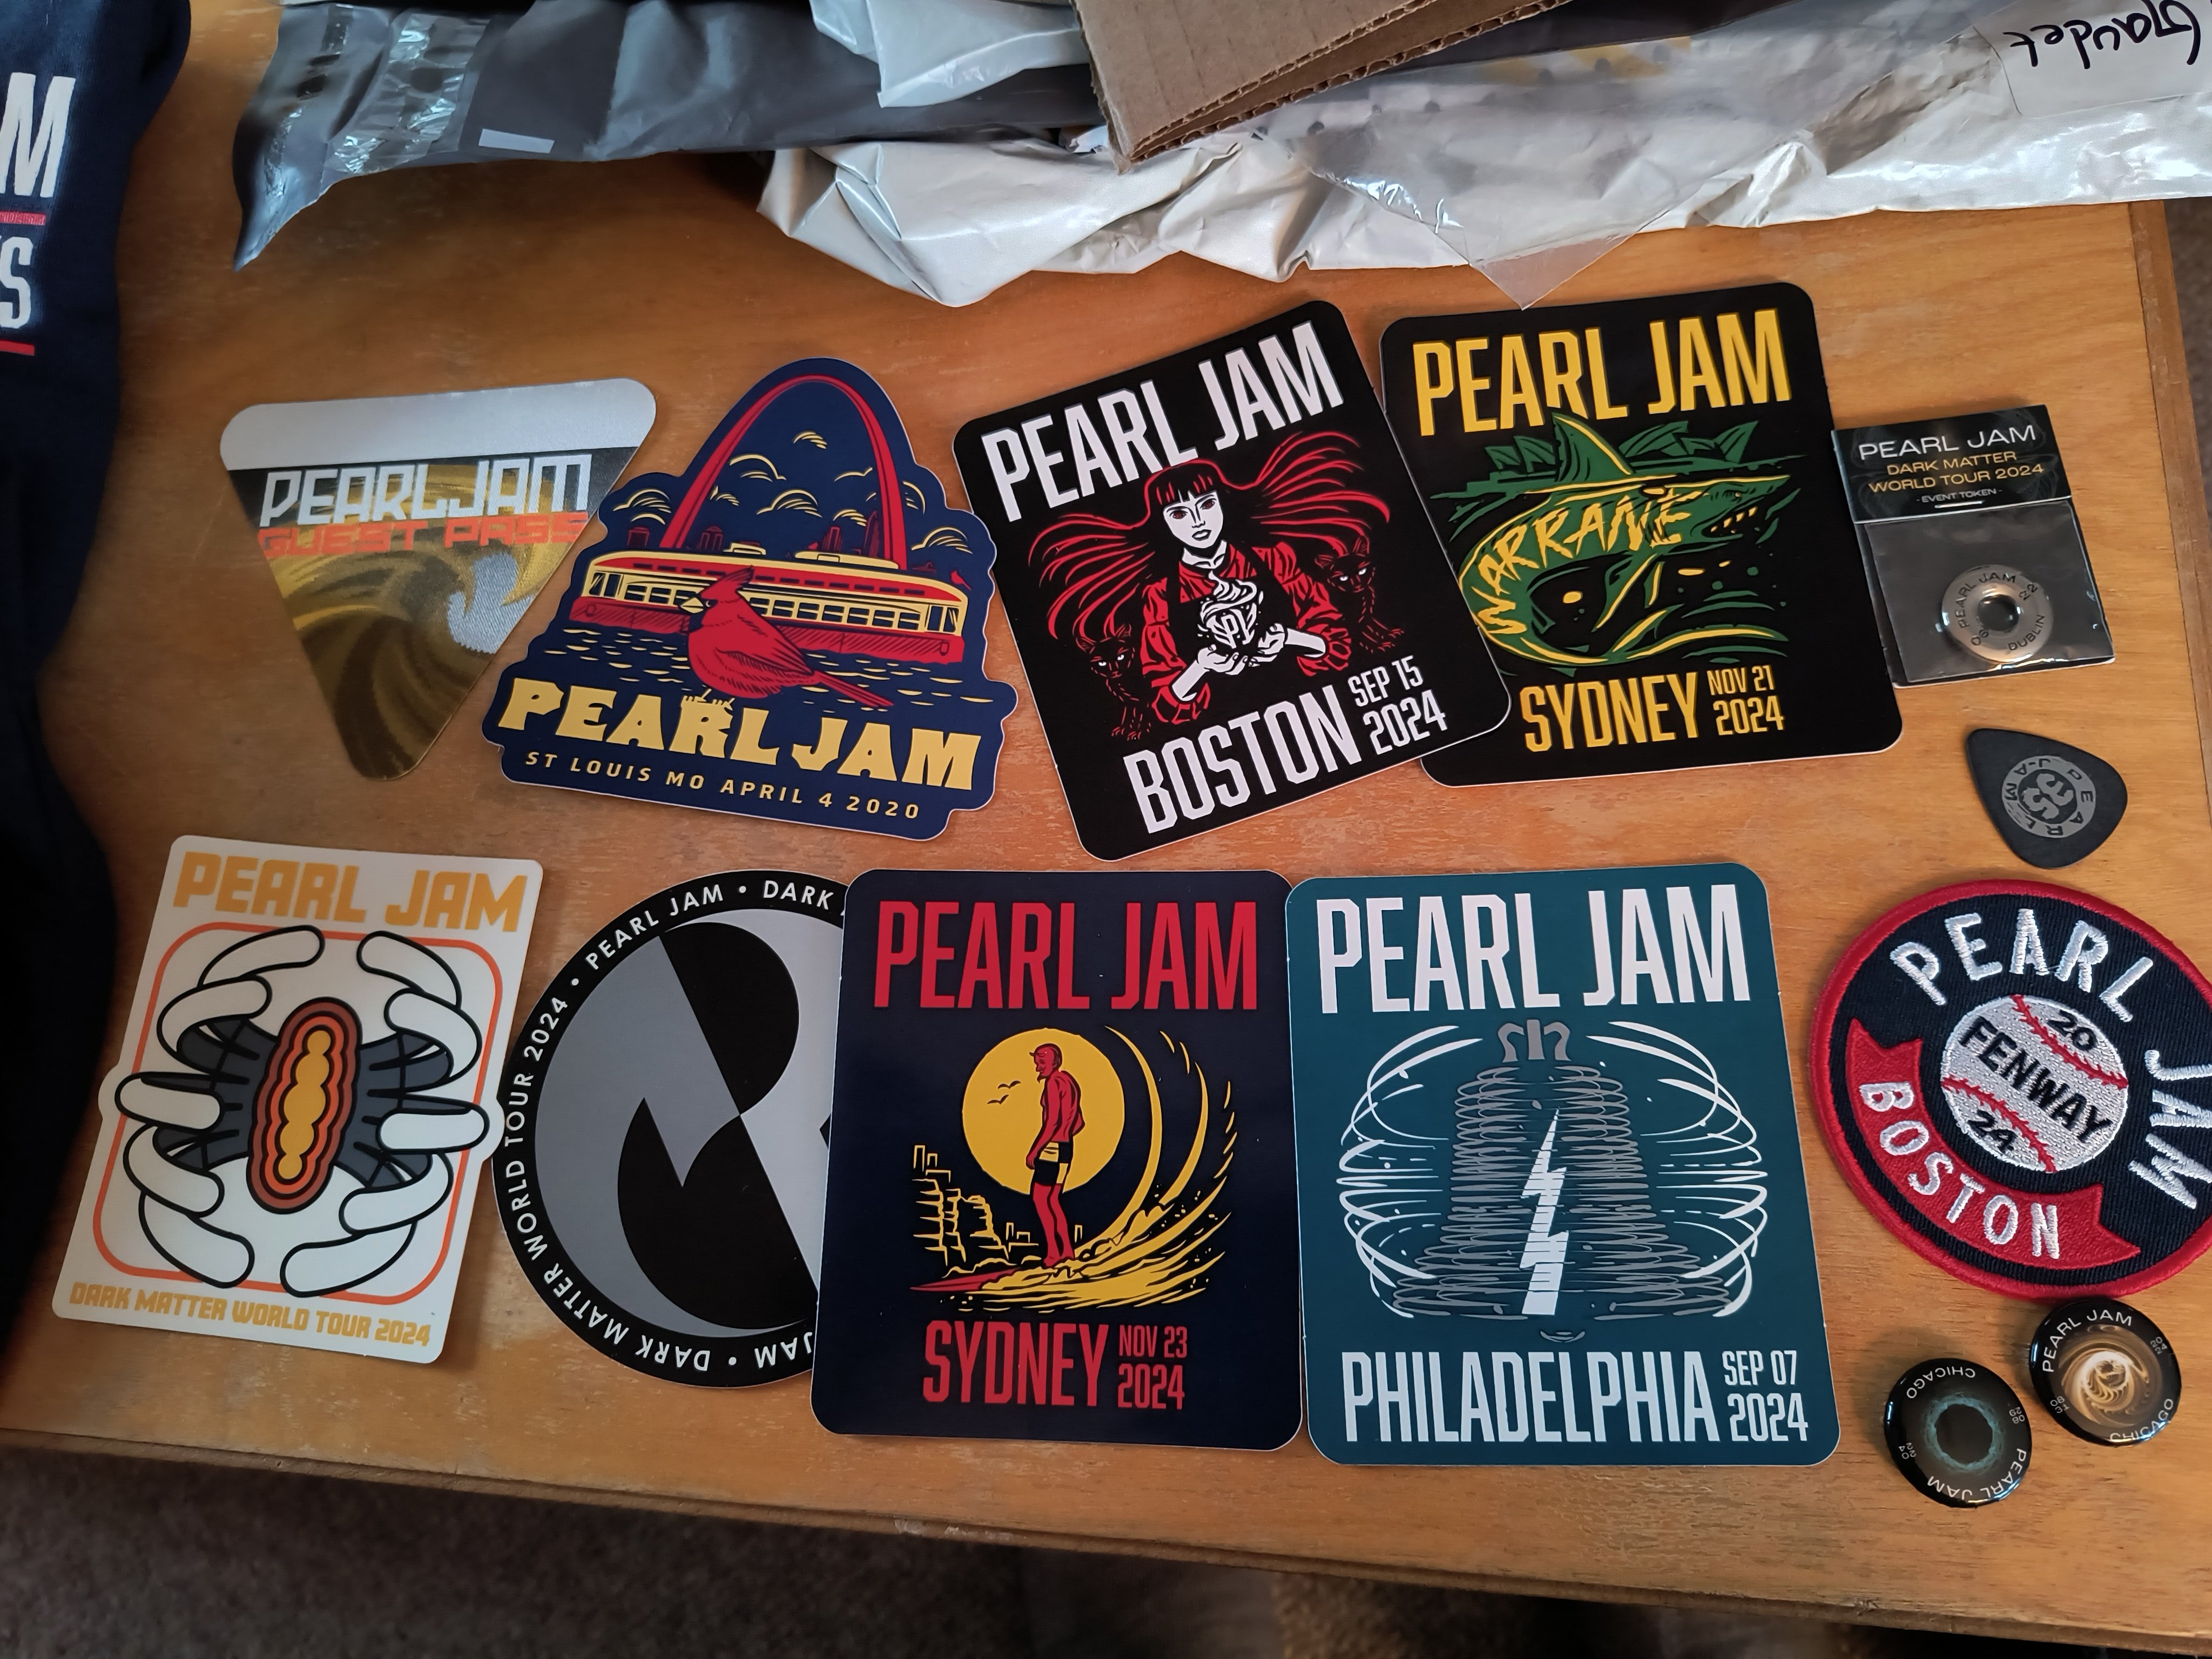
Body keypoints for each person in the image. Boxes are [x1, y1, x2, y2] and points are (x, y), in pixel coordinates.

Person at [1026, 431, 1387, 731]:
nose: (1198, 522)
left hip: (1320, 716)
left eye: (1207, 505)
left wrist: (1290, 639)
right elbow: (1164, 702)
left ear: (1224, 504)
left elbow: (1337, 644)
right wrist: (1201, 667)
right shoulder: (1160, 595)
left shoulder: (1274, 559)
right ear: (1163, 523)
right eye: (1179, 513)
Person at [1024, 1043, 1084, 1267]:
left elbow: (1051, 1122)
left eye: (1041, 1062)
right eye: (1037, 1062)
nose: (1038, 1067)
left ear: (1054, 1061)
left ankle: (1052, 1253)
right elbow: (1080, 1122)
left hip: (1051, 1149)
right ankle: (1067, 1250)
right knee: (1053, 1200)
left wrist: (1035, 1150)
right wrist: (1065, 1136)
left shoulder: (1053, 1083)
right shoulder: (1070, 1081)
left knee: (1041, 1199)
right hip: (1066, 1148)